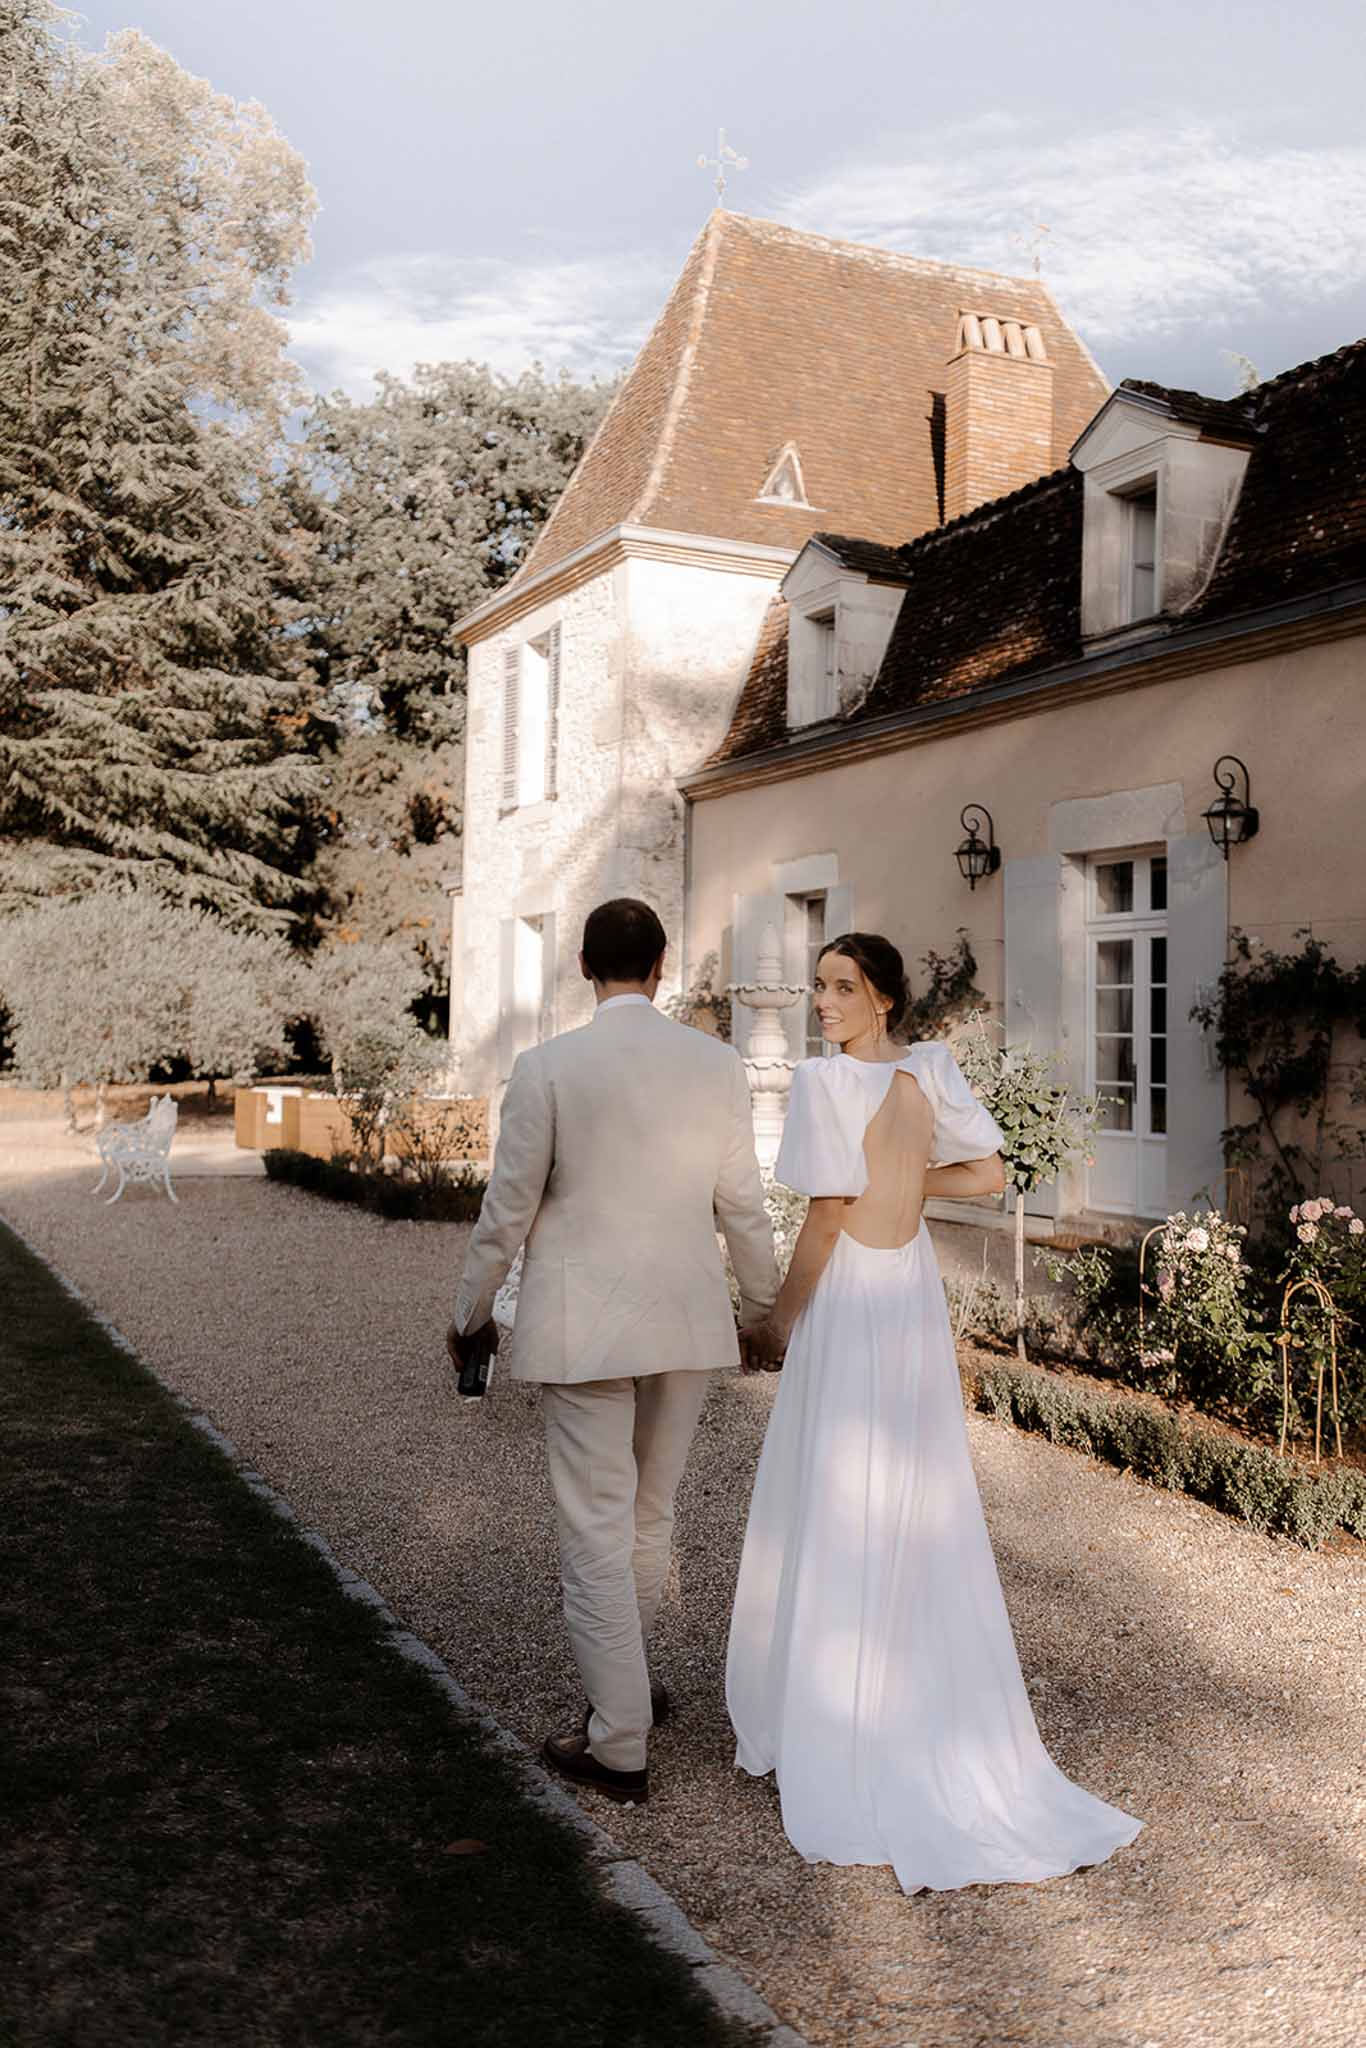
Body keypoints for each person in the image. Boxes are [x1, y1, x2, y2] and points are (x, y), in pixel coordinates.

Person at [726, 931, 1142, 1890]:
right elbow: (990, 1171)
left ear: (881, 998)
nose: (822, 1002)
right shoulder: (928, 1070)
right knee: (909, 1498)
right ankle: (903, 1710)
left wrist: (775, 1324)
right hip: (908, 1290)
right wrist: (910, 1181)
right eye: (819, 986)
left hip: (856, 1298)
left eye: (841, 988)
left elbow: (827, 1215)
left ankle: (844, 1729)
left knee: (839, 1496)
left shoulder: (830, 1086)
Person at [447, 897, 779, 1806]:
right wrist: (762, 1310)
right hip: (684, 1322)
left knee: (596, 1527)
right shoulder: (716, 1066)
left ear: (584, 967)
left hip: (583, 1323)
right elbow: (742, 1206)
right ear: (661, 966)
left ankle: (620, 1737)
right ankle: (625, 1687)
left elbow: (505, 1209)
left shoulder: (549, 1066)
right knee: (649, 1515)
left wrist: (470, 1308)